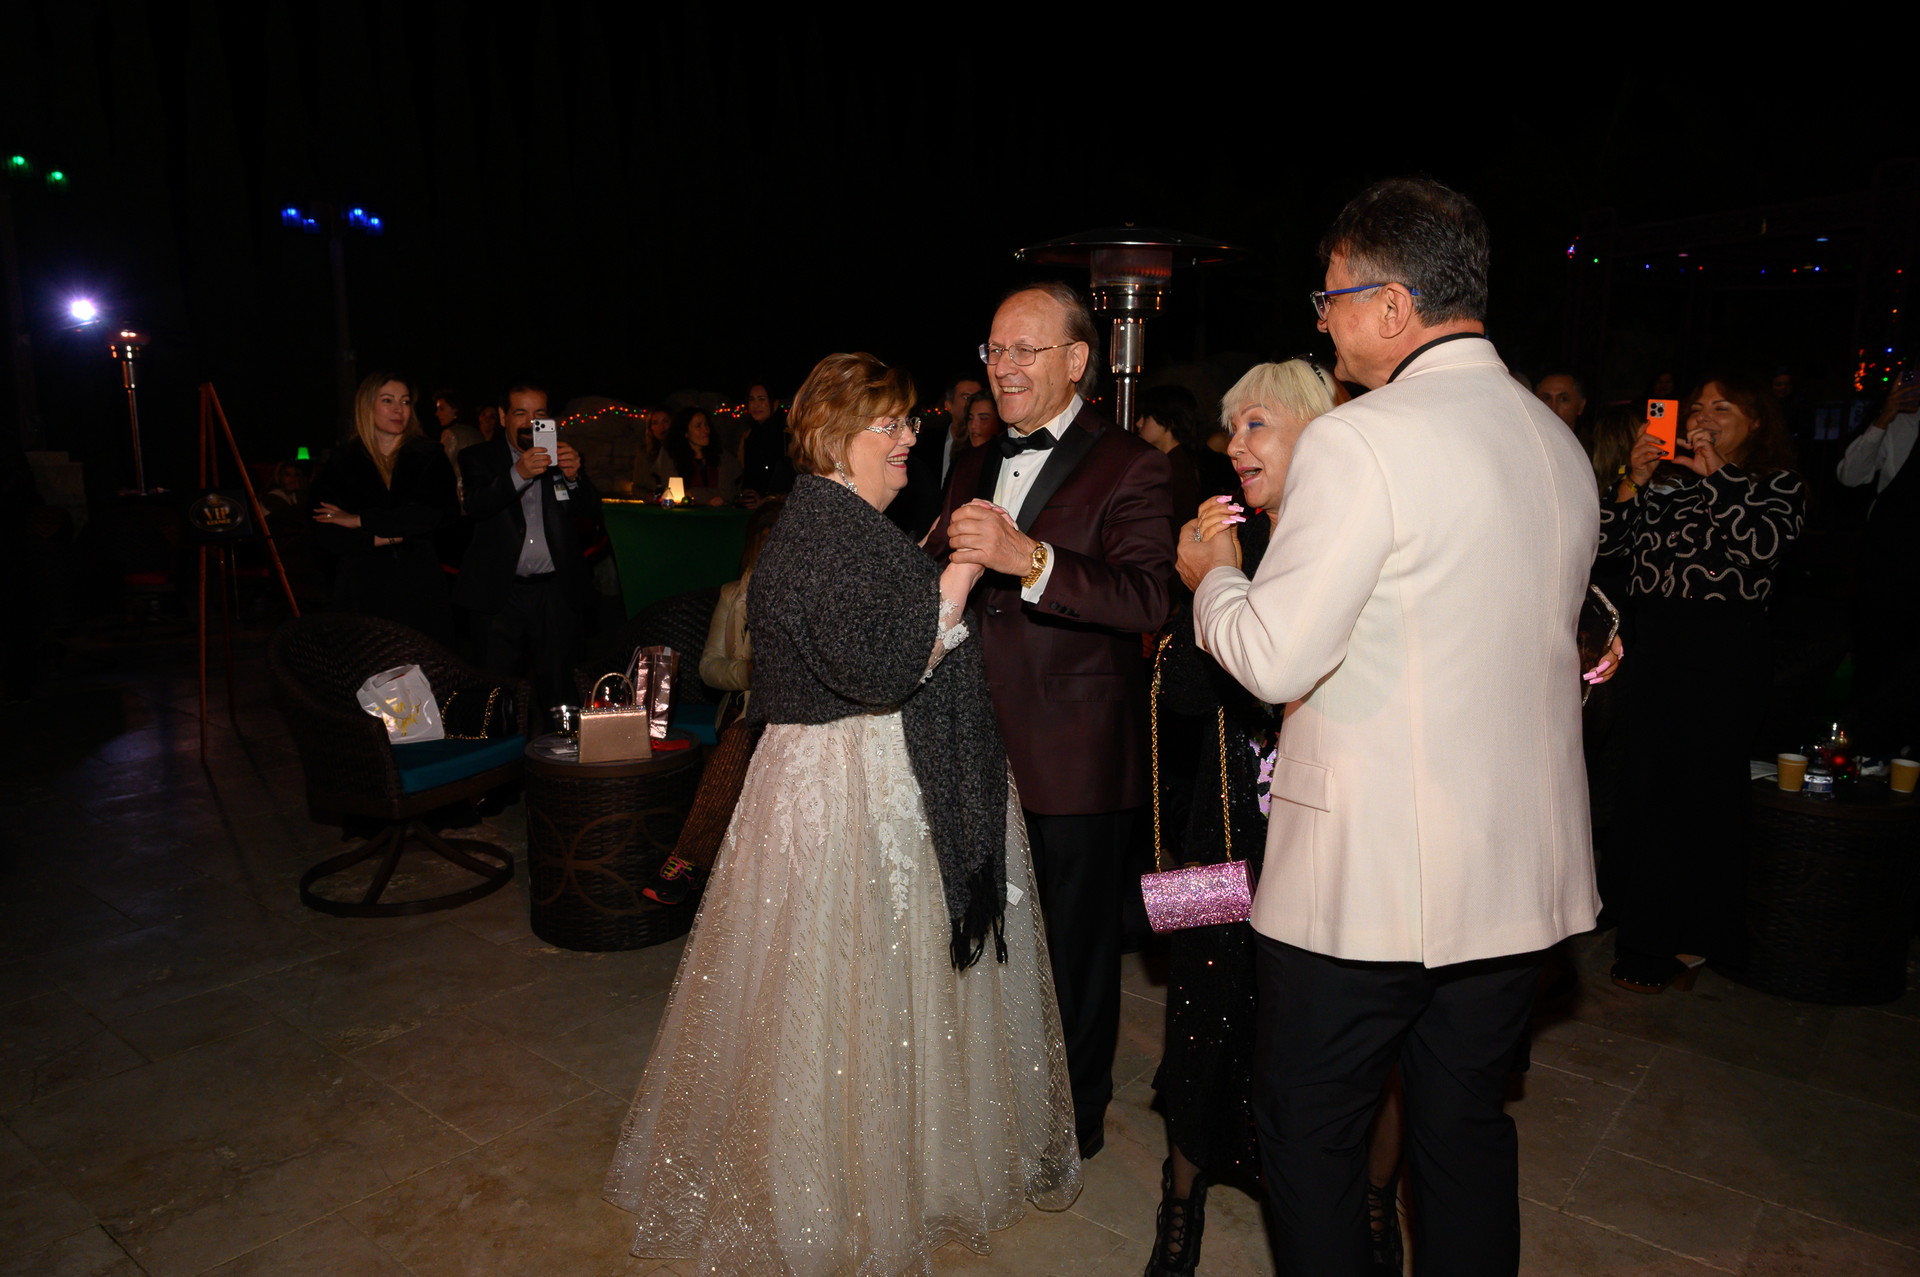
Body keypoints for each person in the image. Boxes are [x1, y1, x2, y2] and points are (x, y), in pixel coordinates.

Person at [1178, 177, 1601, 1274]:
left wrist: (1213, 577)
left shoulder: (1362, 441)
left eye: (1331, 299)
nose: (1323, 322)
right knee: (1463, 1131)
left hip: (1369, 884)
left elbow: (1275, 656)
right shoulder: (1554, 440)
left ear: (1393, 304)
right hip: (1511, 875)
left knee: (1312, 1133)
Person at [604, 351, 1080, 1274]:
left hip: (862, 772)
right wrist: (963, 571)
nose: (908, 437)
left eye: (909, 421)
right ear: (833, 435)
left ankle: (892, 1166)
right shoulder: (820, 530)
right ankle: (822, 1190)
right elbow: (885, 668)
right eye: (888, 423)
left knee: (880, 988)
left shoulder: (843, 520)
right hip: (844, 781)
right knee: (839, 990)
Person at [923, 281, 1175, 1160]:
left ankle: (1070, 1122)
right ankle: (995, 1094)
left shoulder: (1131, 464)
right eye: (994, 349)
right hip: (973, 743)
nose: (1004, 366)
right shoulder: (971, 462)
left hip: (1075, 756)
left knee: (1074, 949)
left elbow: (1147, 597)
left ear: (1076, 360)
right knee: (985, 933)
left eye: (1024, 349)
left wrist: (1030, 559)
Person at [1601, 372, 1806, 991]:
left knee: (1696, 796)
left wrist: (1718, 475)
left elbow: (1760, 548)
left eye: (1723, 407)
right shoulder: (1667, 484)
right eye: (1696, 408)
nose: (1703, 417)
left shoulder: (1776, 485)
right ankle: (1646, 918)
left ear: (1756, 422)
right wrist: (1634, 480)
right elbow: (1605, 547)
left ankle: (1665, 940)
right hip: (1654, 645)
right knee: (1643, 786)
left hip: (1721, 654)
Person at [455, 382, 601, 729]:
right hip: (499, 594)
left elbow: (592, 512)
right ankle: (500, 757)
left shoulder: (561, 455)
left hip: (555, 592)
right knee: (498, 690)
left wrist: (575, 477)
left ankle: (562, 755)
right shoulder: (478, 457)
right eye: (521, 412)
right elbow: (476, 505)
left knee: (560, 688)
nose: (530, 422)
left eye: (539, 414)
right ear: (503, 416)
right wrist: (518, 473)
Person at [309, 373, 459, 641]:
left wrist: (359, 520)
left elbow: (432, 515)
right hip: (361, 589)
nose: (399, 409)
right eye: (388, 400)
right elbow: (326, 529)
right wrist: (386, 536)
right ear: (368, 406)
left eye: (405, 401)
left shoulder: (428, 455)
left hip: (419, 587)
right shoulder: (343, 461)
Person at [1837, 378, 1920, 751]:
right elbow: (1850, 475)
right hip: (1890, 556)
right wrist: (1884, 418)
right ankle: (1867, 748)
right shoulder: (1895, 421)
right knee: (1878, 653)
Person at [1135, 384, 1238, 534]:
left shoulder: (1176, 467)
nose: (1139, 423)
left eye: (1146, 417)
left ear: (1168, 421)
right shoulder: (1174, 461)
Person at [892, 375, 984, 538]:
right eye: (965, 397)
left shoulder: (984, 451)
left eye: (977, 396)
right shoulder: (924, 442)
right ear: (948, 405)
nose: (972, 402)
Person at [652, 406, 738, 506]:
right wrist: (704, 499)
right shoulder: (670, 456)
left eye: (706, 425)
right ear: (685, 432)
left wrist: (692, 493)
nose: (705, 430)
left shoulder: (722, 456)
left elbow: (729, 492)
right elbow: (674, 493)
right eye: (698, 426)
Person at [736, 383, 795, 507]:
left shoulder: (786, 434)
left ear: (775, 403)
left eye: (761, 399)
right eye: (751, 399)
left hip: (779, 507)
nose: (756, 405)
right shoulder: (750, 435)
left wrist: (766, 500)